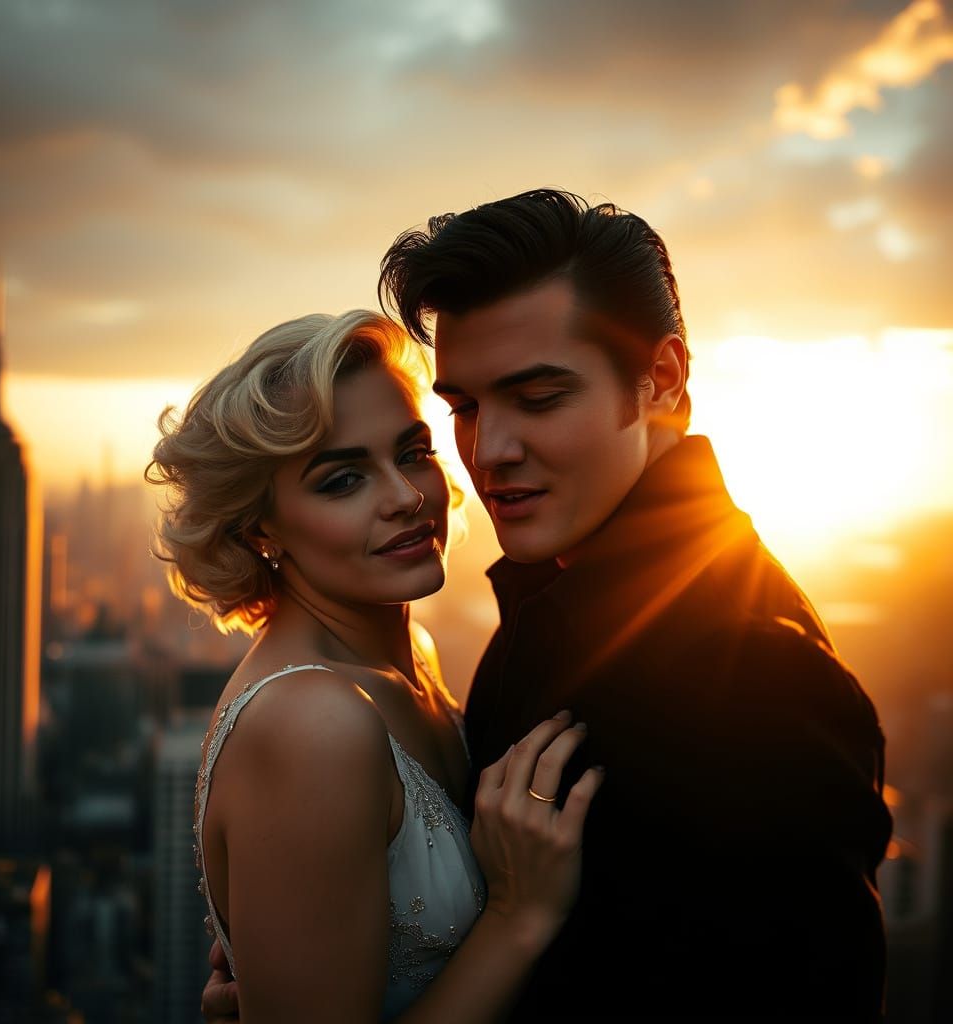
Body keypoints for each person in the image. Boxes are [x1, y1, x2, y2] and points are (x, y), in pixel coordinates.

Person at [202, 190, 893, 1021]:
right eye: (461, 407)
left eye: (538, 397)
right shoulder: (543, 607)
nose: (487, 453)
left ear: (661, 380)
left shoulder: (752, 671)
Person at [147, 309, 605, 1023]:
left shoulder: (411, 658)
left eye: (413, 452)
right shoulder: (311, 725)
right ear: (260, 527)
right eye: (341, 481)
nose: (404, 497)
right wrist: (518, 914)